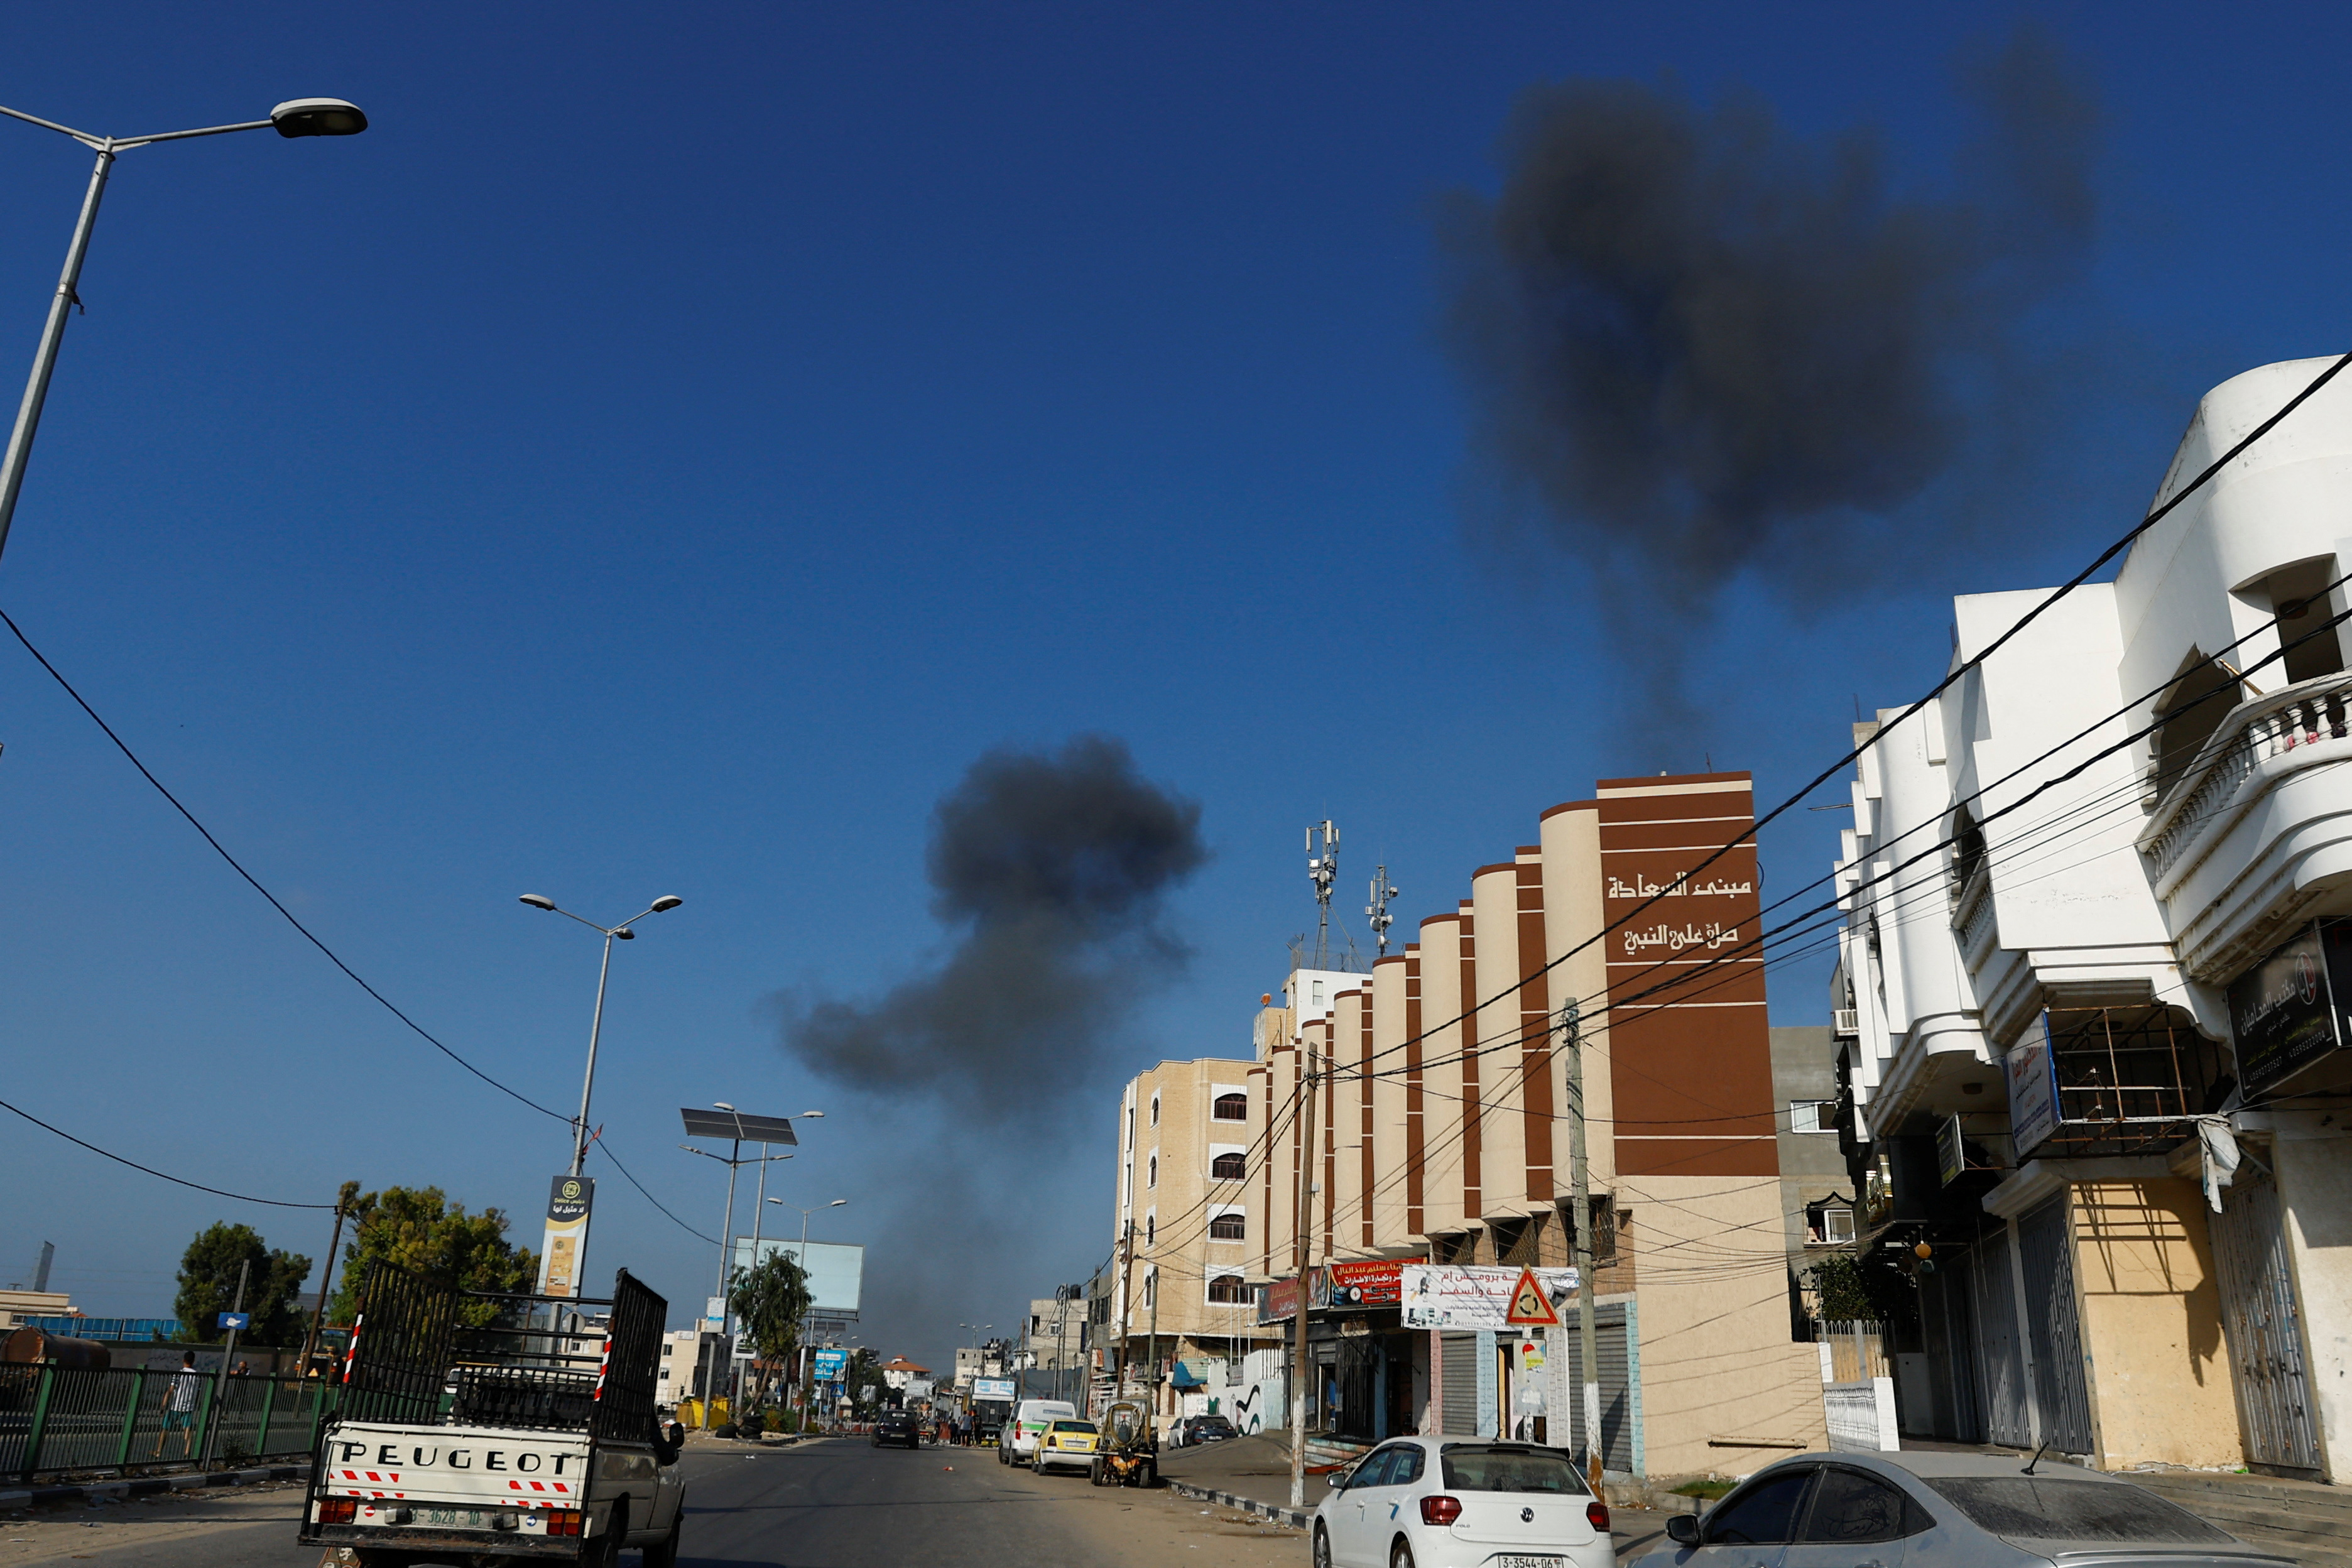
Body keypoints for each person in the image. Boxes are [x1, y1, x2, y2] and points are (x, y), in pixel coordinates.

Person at [155, 1352, 202, 1459]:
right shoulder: (198, 1376)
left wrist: (163, 1406)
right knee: (187, 1429)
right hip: (189, 1407)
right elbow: (198, 1393)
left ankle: (159, 1452)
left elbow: (170, 1390)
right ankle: (187, 1452)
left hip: (176, 1406)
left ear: (184, 1360)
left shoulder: (179, 1374)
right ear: (193, 1361)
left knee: (165, 1429)